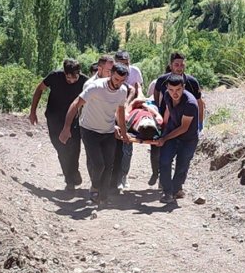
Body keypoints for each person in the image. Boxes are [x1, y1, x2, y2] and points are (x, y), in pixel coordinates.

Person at [59, 63, 129, 206]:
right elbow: (75, 104)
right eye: (116, 80)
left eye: (122, 81)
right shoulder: (96, 87)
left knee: (109, 165)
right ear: (110, 75)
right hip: (89, 130)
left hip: (108, 131)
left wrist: (124, 132)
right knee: (98, 164)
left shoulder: (122, 91)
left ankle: (103, 197)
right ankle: (95, 187)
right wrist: (66, 127)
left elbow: (120, 112)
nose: (119, 83)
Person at [29, 59, 87, 191]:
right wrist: (33, 111)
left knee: (74, 149)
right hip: (54, 118)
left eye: (74, 78)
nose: (71, 81)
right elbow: (39, 89)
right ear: (64, 73)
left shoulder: (85, 82)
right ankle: (69, 177)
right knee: (61, 148)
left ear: (79, 73)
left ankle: (72, 175)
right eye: (68, 77)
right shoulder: (54, 76)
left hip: (74, 120)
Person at [152, 54, 204, 189]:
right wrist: (160, 117)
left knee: (183, 163)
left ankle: (175, 188)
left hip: (187, 128)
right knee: (162, 157)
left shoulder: (192, 84)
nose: (179, 67)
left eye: (182, 64)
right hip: (170, 123)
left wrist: (200, 123)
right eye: (176, 64)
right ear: (170, 65)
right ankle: (163, 183)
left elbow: (199, 104)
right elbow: (158, 95)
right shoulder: (163, 81)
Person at [155, 74, 200, 204]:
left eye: (178, 90)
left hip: (188, 138)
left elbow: (183, 128)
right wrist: (162, 129)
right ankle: (167, 192)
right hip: (171, 132)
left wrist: (165, 138)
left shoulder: (190, 103)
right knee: (164, 160)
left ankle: (175, 190)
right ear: (167, 89)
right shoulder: (167, 95)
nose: (174, 93)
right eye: (171, 90)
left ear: (183, 87)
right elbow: (168, 111)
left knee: (182, 165)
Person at [111, 50, 144, 192]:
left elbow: (138, 89)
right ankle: (111, 177)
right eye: (121, 64)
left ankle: (123, 175)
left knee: (127, 146)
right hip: (113, 111)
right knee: (112, 146)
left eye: (127, 64)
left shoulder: (135, 72)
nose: (125, 67)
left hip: (129, 111)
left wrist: (133, 102)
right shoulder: (112, 72)